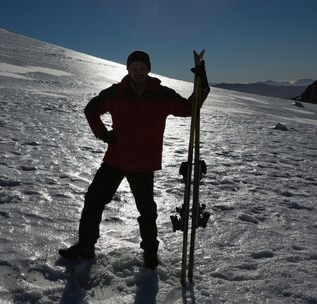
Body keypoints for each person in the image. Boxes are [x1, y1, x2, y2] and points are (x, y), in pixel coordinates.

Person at [59, 50, 209, 269]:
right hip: (115, 159)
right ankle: (86, 246)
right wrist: (103, 134)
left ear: (148, 69)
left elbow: (189, 109)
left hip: (143, 163)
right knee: (94, 200)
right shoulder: (116, 92)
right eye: (134, 68)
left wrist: (202, 86)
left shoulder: (161, 94)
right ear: (128, 69)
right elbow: (91, 110)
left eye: (142, 68)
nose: (138, 72)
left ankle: (150, 254)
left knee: (146, 211)